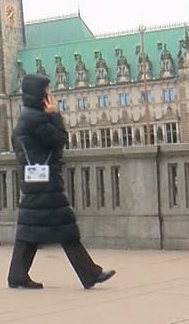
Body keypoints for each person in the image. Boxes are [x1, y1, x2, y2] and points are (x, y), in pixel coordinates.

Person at [7, 74, 116, 290]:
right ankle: (89, 273)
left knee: (31, 228)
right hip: (45, 180)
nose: (50, 95)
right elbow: (59, 139)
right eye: (47, 91)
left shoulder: (25, 117)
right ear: (39, 94)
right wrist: (55, 115)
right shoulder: (37, 119)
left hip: (35, 179)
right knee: (64, 227)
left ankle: (17, 274)